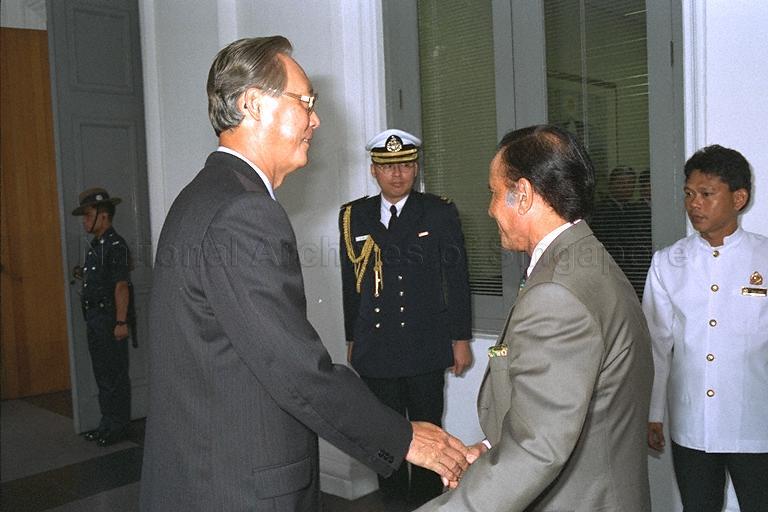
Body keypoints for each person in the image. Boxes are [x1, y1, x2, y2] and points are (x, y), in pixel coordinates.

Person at [139, 36, 472, 511]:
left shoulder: (203, 196)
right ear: (253, 104)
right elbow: (293, 367)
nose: (315, 119)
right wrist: (403, 438)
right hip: (239, 484)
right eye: (305, 101)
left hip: (206, 465)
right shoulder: (243, 212)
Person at [416, 124, 653, 511]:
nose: (491, 208)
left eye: (494, 193)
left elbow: (537, 450)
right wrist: (492, 450)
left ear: (522, 194)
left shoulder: (558, 292)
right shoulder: (584, 259)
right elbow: (563, 407)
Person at [339, 129, 472, 505]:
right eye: (387, 166)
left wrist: (460, 339)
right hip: (377, 349)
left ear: (415, 169)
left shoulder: (438, 212)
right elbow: (352, 285)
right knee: (386, 441)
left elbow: (456, 279)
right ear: (373, 171)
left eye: (404, 165)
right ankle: (394, 504)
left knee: (430, 435)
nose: (396, 173)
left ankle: (429, 505)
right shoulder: (354, 216)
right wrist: (353, 338)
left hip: (424, 347)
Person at [644, 145, 768, 511]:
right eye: (689, 194)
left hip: (756, 421)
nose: (694, 204)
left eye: (706, 194)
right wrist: (654, 413)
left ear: (739, 198)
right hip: (691, 424)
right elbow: (655, 343)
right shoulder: (669, 262)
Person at [71, 187, 132, 447]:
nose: (85, 221)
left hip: (109, 319)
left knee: (115, 375)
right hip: (95, 318)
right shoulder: (97, 246)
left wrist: (121, 321)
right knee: (102, 374)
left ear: (103, 216)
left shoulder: (115, 246)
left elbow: (120, 286)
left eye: (88, 215)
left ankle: (117, 427)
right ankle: (107, 422)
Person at [591, 165, 637, 269]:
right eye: (621, 183)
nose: (626, 187)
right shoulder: (602, 210)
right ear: (611, 185)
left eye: (630, 183)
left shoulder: (635, 209)